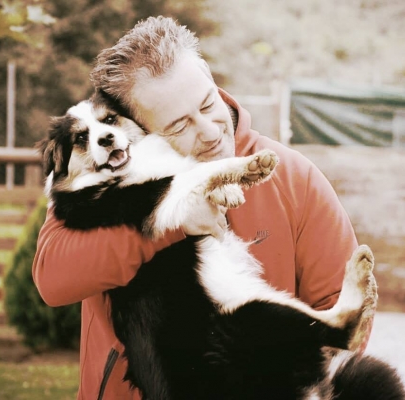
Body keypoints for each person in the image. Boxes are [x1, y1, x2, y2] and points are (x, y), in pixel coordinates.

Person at [33, 16, 367, 400]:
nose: (209, 131)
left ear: (209, 77)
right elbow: (52, 279)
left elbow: (340, 311)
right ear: (136, 130)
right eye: (179, 125)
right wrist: (171, 224)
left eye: (208, 104)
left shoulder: (295, 177)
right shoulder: (104, 188)